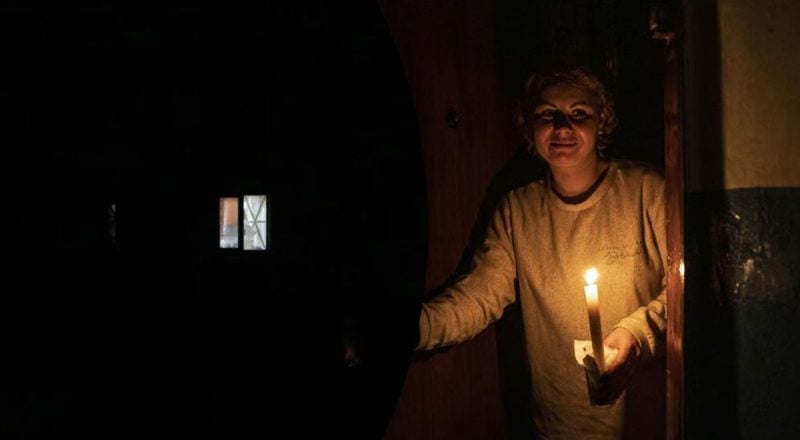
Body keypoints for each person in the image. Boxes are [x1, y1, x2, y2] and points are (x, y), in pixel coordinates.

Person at [416, 66, 667, 439]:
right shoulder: (517, 211)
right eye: (548, 114)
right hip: (558, 424)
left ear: (602, 121)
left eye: (579, 113)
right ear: (530, 127)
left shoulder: (647, 192)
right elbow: (478, 296)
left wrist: (637, 332)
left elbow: (686, 289)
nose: (562, 127)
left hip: (643, 419)